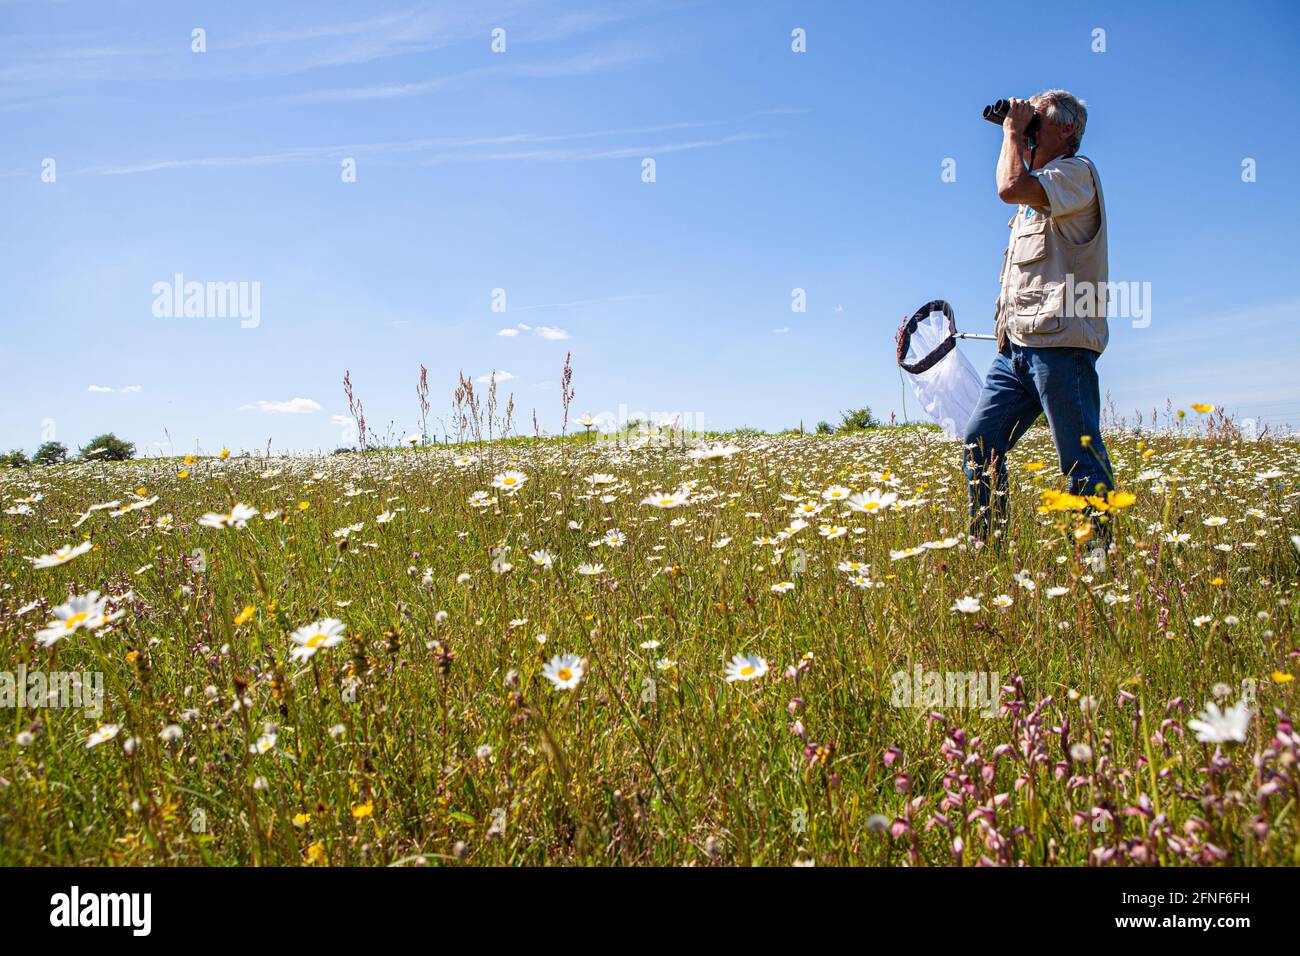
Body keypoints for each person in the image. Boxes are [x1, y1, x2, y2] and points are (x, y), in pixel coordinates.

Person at [962, 88, 1113, 546]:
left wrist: (1012, 131)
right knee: (979, 443)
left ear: (1066, 130)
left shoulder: (1075, 173)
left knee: (1079, 456)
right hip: (1018, 349)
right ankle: (987, 543)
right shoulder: (1037, 192)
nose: (1026, 125)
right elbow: (1015, 188)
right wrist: (1021, 135)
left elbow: (1008, 187)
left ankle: (1097, 560)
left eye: (1037, 118)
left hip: (1061, 345)